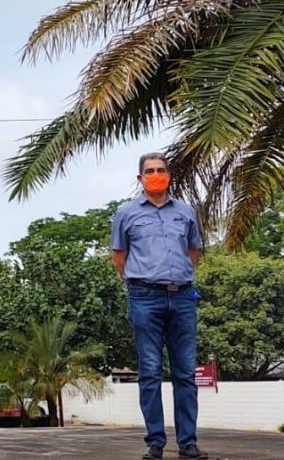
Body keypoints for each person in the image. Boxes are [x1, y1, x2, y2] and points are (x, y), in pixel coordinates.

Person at [111, 153, 209, 460]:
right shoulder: (126, 213)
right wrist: (142, 281)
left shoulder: (185, 212)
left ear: (169, 175)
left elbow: (193, 251)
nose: (156, 175)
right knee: (150, 372)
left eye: (161, 170)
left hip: (182, 297)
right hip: (144, 297)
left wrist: (176, 277)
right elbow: (119, 258)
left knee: (185, 373)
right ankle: (155, 442)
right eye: (150, 171)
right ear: (140, 178)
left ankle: (188, 443)